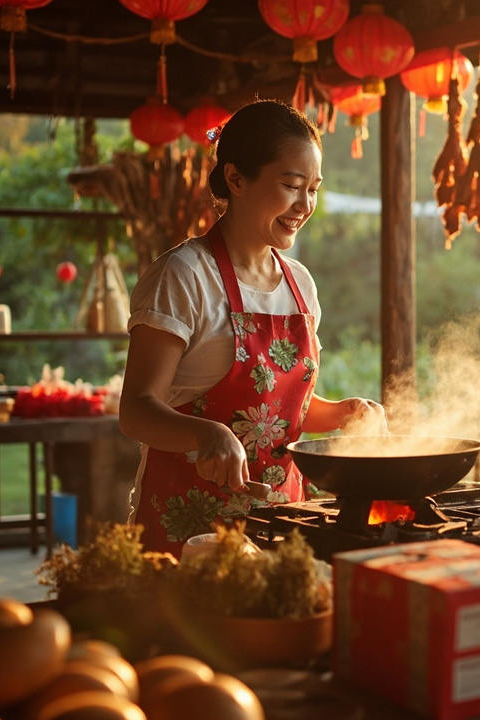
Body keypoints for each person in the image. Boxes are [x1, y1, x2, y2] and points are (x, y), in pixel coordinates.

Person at [119, 99, 384, 556]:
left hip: (283, 519)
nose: (305, 205)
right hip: (190, 530)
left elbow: (277, 410)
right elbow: (136, 410)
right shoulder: (184, 276)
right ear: (236, 179)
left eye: (313, 189)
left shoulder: (300, 284)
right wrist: (207, 434)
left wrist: (343, 413)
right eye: (291, 186)